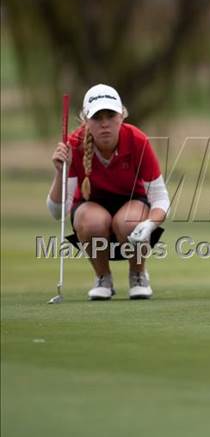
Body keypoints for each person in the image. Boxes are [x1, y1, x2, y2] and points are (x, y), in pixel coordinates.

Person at [47, 84, 170, 301]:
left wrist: (149, 224)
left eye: (110, 115)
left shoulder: (137, 140)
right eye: (96, 117)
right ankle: (103, 278)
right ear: (85, 119)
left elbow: (160, 198)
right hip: (91, 209)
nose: (104, 124)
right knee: (91, 221)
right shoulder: (74, 145)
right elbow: (58, 212)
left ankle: (138, 274)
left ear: (121, 115)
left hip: (133, 205)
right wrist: (60, 172)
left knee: (129, 221)